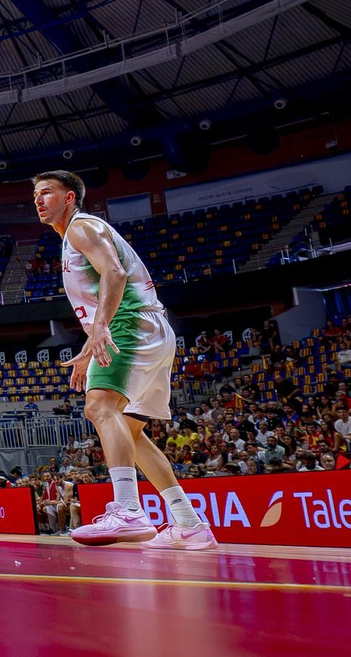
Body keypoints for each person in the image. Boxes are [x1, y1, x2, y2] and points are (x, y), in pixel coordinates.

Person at [34, 169, 216, 550]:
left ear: (69, 198)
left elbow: (114, 274)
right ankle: (188, 524)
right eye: (36, 194)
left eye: (47, 192)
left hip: (128, 324)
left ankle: (128, 509)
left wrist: (100, 328)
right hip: (148, 327)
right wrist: (90, 343)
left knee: (99, 408)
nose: (39, 199)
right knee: (132, 432)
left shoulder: (82, 227)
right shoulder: (74, 236)